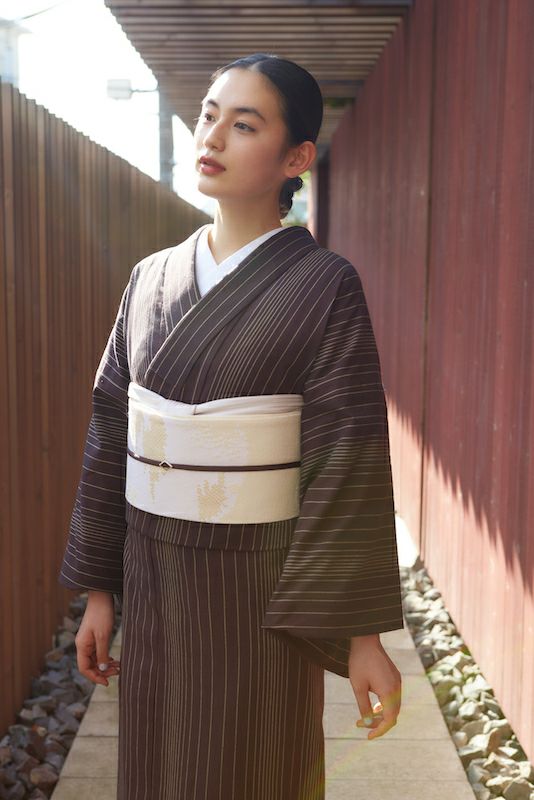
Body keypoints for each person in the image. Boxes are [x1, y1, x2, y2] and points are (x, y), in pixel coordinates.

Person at [58, 52, 404, 800]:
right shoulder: (150, 277)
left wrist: (362, 636)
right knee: (158, 762)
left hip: (257, 584)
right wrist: (100, 591)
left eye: (244, 125)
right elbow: (111, 431)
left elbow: (346, 456)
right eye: (209, 116)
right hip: (153, 571)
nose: (212, 137)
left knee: (254, 765)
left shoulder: (324, 285)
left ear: (296, 158)